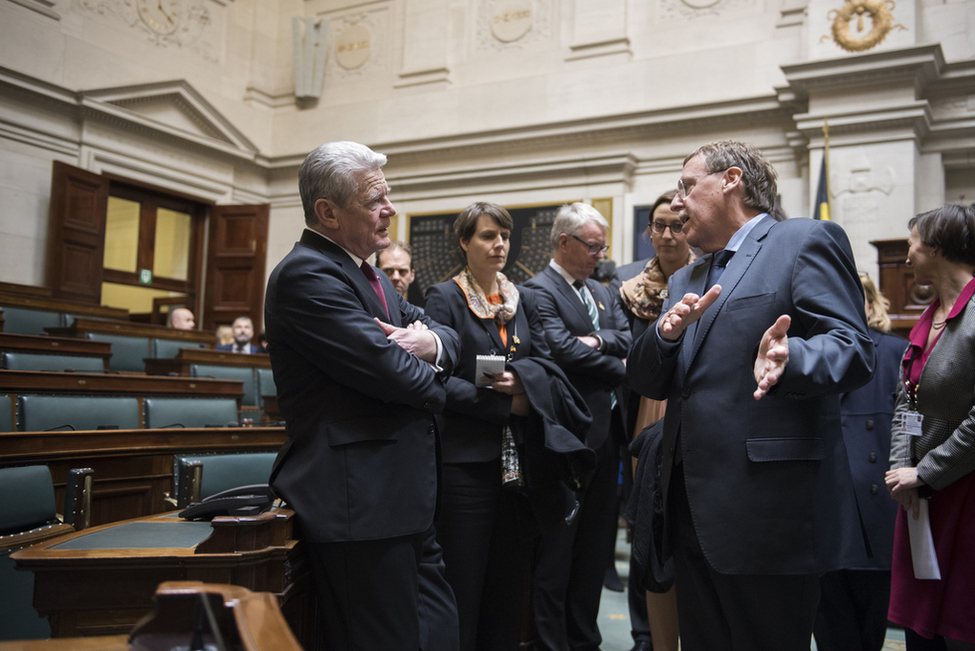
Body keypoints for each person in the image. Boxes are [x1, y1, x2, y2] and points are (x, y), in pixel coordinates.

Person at [626, 140, 875, 651]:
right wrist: (666, 337)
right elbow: (649, 381)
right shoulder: (685, 278)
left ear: (731, 180)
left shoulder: (803, 240)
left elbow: (853, 348)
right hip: (689, 507)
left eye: (687, 186)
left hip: (768, 511)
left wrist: (794, 358)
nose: (676, 203)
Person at [263, 140, 462, 651]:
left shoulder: (366, 272)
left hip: (405, 496)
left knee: (439, 634)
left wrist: (433, 344)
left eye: (388, 195)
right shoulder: (308, 274)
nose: (390, 209)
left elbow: (445, 335)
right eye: (375, 199)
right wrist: (432, 368)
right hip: (360, 503)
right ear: (327, 211)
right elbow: (405, 379)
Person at [423, 202, 551, 651]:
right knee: (464, 581)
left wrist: (525, 385)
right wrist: (506, 406)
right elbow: (438, 382)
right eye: (487, 236)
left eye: (504, 236)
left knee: (508, 583)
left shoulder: (522, 297)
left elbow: (544, 362)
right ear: (464, 242)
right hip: (466, 462)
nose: (499, 245)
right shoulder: (444, 297)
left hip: (520, 462)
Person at [524, 202, 631, 651]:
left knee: (594, 553)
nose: (599, 255)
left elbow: (627, 338)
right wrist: (613, 361)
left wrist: (598, 342)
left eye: (602, 246)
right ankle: (552, 643)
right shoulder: (537, 290)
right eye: (592, 246)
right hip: (567, 439)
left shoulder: (604, 291)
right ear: (564, 242)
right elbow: (560, 351)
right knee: (558, 552)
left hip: (609, 438)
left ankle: (585, 640)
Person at [885, 204, 975, 650]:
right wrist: (902, 468)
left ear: (936, 247)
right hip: (921, 498)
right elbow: (906, 400)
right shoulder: (930, 313)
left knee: (960, 625)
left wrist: (926, 471)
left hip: (962, 492)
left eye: (912, 245)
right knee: (922, 631)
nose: (907, 256)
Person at [616, 189, 694, 651]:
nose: (667, 235)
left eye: (677, 225)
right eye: (659, 226)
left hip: (687, 411)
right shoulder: (625, 287)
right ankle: (646, 637)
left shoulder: (707, 278)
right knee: (644, 528)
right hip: (640, 417)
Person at [814, 272, 906, 651]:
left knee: (869, 636)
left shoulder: (897, 353)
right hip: (823, 518)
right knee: (831, 633)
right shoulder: (811, 352)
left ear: (870, 304)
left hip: (878, 519)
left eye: (858, 298)